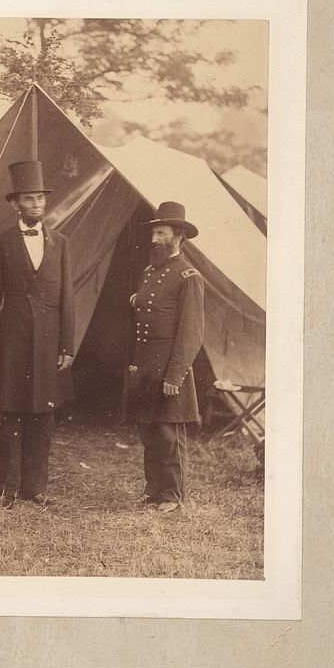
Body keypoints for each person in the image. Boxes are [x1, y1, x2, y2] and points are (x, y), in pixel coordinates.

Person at [0, 160, 75, 506]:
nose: (36, 204)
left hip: (50, 341)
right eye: (29, 199)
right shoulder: (2, 243)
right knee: (12, 412)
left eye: (40, 198)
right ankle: (7, 487)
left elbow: (68, 297)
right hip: (12, 338)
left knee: (43, 413)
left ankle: (35, 488)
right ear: (15, 204)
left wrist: (67, 345)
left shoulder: (61, 242)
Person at [128, 201, 205, 514]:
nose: (154, 239)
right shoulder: (149, 272)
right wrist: (136, 299)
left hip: (170, 364)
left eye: (161, 233)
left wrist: (175, 376)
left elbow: (191, 333)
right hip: (146, 364)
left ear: (179, 237)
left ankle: (172, 496)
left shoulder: (189, 276)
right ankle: (153, 491)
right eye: (154, 233)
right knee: (148, 430)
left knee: (168, 432)